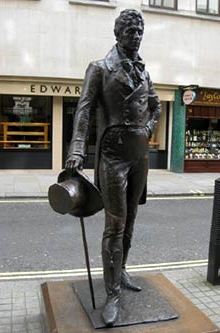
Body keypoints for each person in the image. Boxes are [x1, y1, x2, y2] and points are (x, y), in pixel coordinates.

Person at [65, 9, 161, 327]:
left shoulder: (144, 72)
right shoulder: (100, 68)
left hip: (139, 156)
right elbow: (84, 110)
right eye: (131, 31)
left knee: (130, 222)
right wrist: (77, 149)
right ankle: (112, 294)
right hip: (113, 156)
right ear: (118, 34)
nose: (136, 37)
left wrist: (148, 129)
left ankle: (121, 271)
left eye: (139, 32)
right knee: (114, 226)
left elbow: (156, 106)